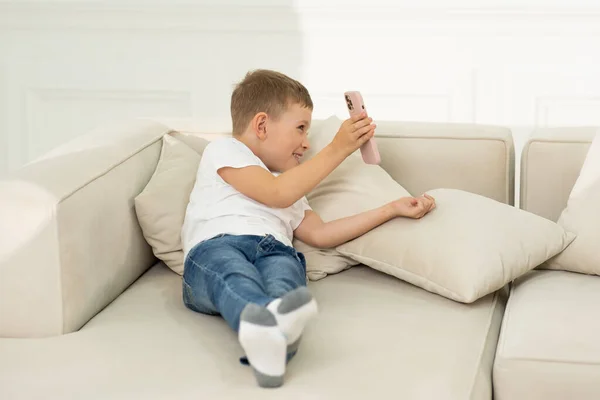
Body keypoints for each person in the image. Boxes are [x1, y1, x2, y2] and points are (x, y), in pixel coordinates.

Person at [181, 69, 436, 388]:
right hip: (215, 247)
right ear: (261, 125)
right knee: (231, 274)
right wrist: (338, 148)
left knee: (286, 283)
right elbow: (276, 193)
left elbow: (321, 234)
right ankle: (267, 322)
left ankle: (271, 345)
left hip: (275, 250)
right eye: (300, 129)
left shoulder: (292, 187)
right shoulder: (225, 151)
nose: (306, 143)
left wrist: (390, 209)